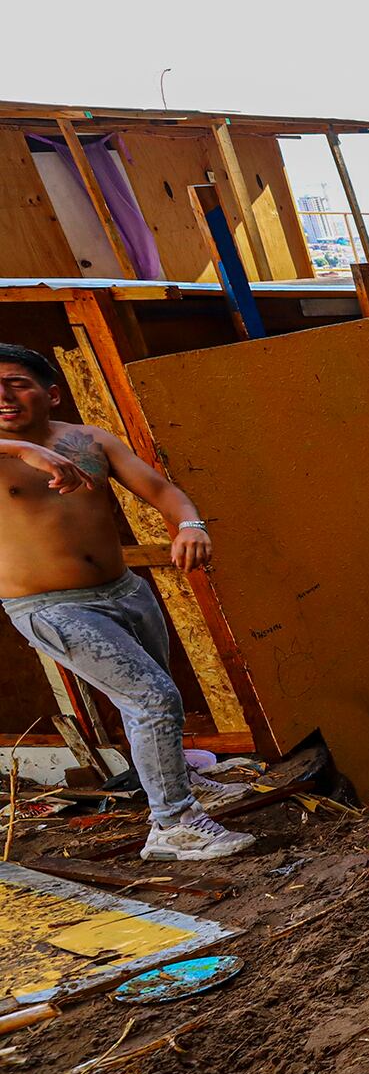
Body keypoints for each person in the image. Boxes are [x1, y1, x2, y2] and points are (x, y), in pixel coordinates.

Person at [0, 343, 254, 862]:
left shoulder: (87, 440)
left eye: (16, 382)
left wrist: (190, 524)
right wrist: (23, 450)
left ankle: (177, 782)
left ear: (50, 394)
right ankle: (174, 827)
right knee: (151, 697)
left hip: (123, 591)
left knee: (157, 697)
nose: (3, 395)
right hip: (51, 606)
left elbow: (161, 490)